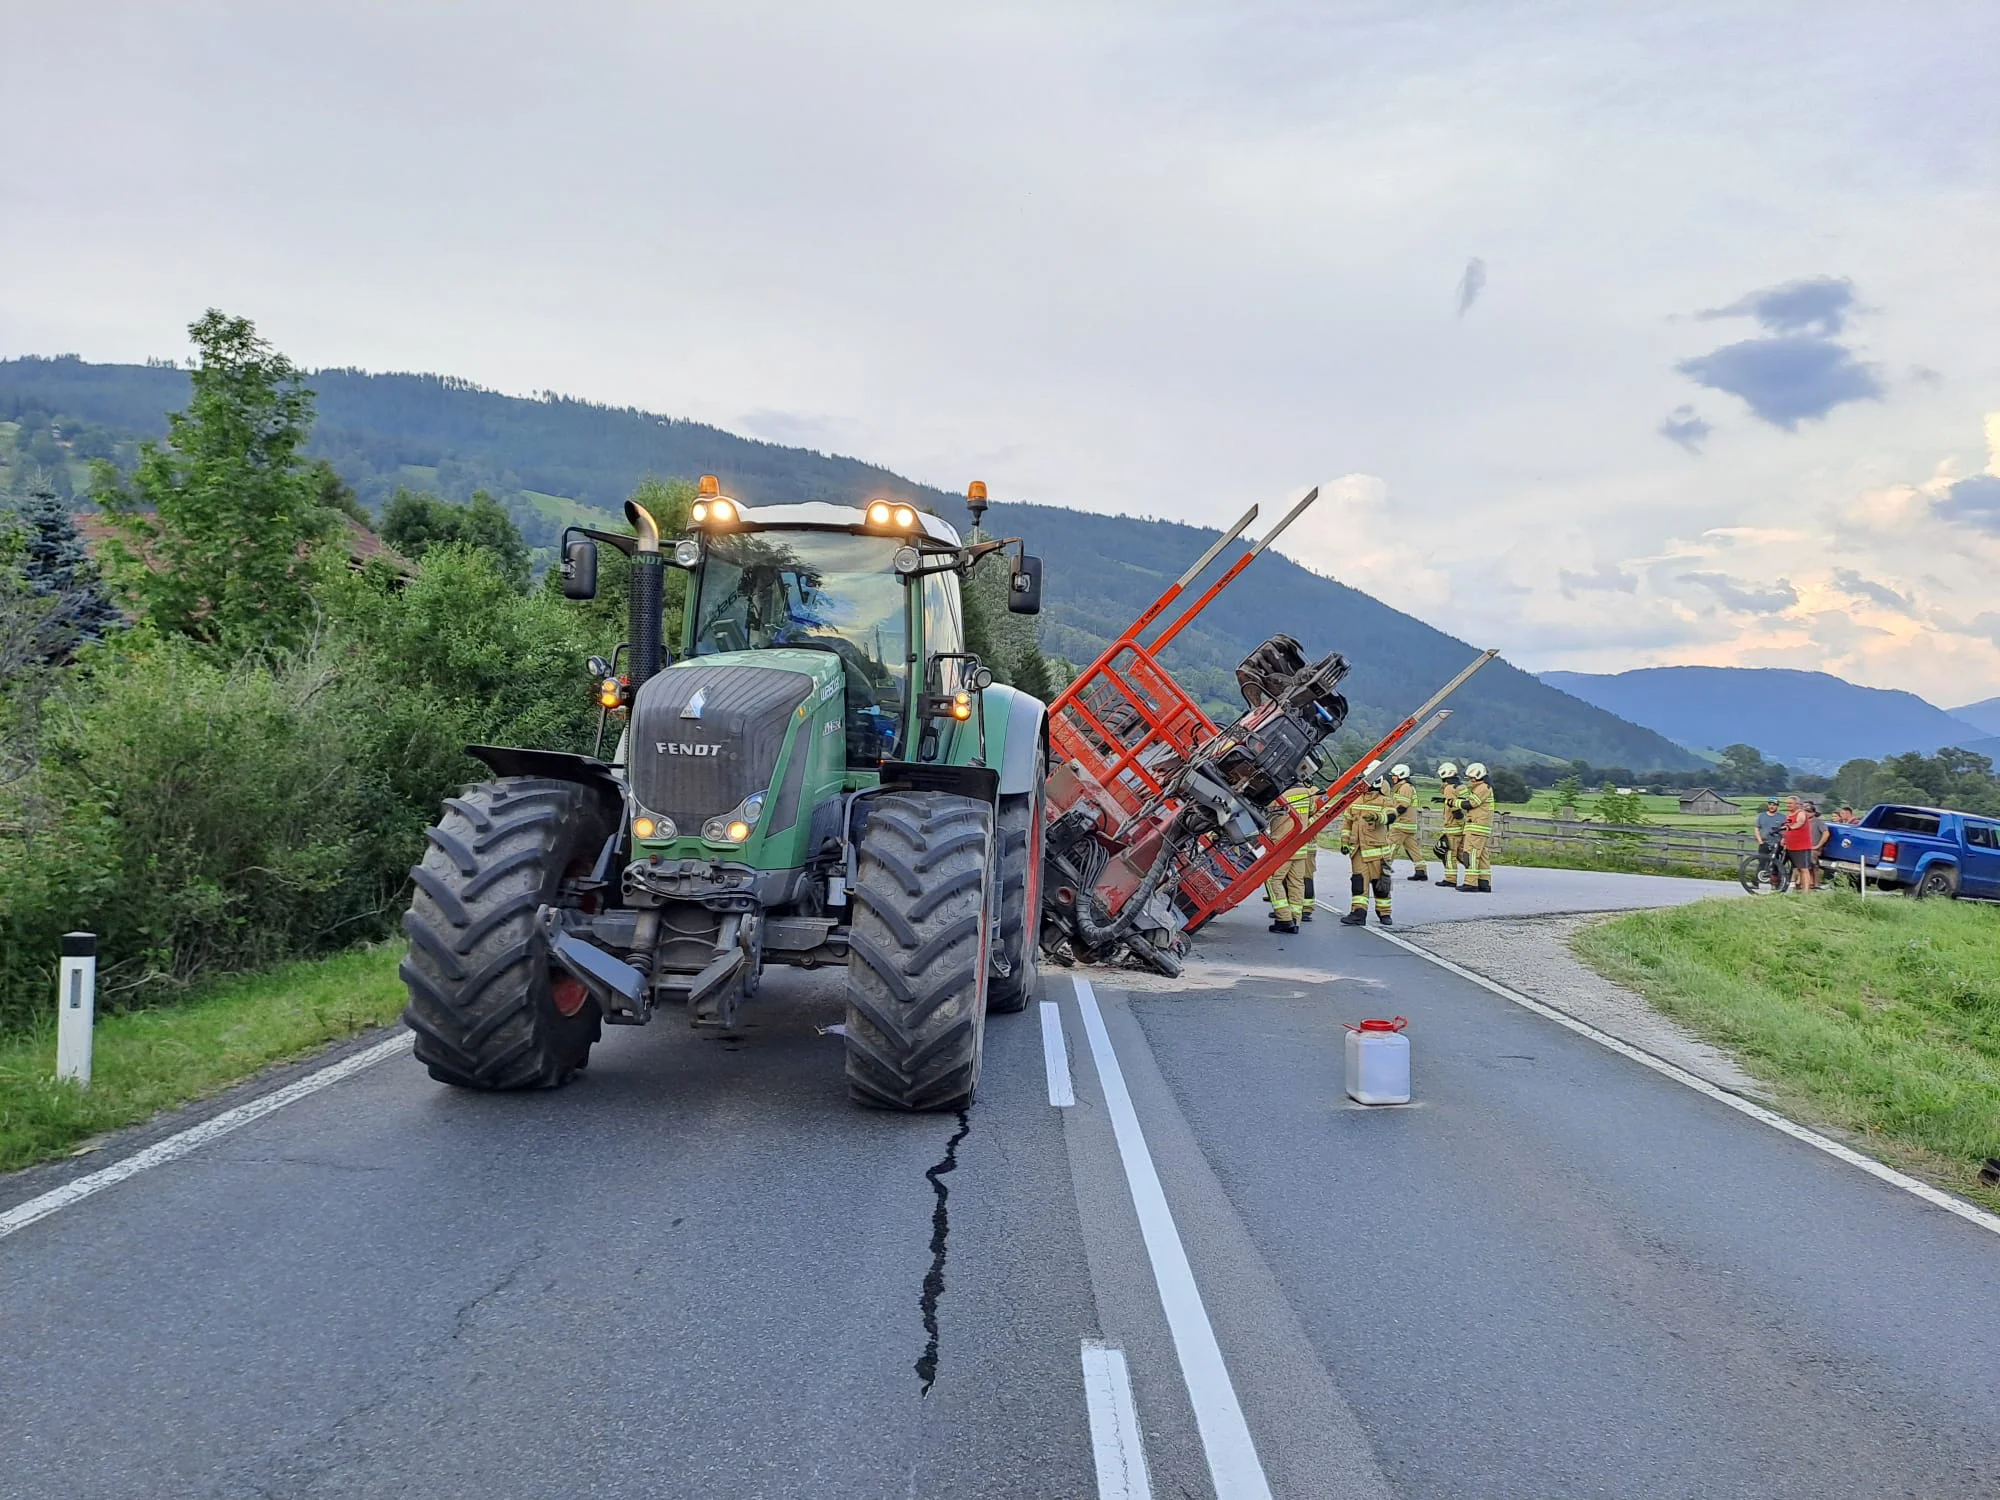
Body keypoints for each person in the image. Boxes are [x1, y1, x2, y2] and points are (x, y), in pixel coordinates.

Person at [1339, 769, 1397, 926]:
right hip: (1358, 851)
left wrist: (1378, 817)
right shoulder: (1355, 800)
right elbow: (1347, 823)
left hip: (1378, 851)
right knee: (1358, 883)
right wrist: (1345, 841)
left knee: (1381, 885)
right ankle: (1358, 914)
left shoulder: (1385, 801)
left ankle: (1384, 913)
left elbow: (1391, 816)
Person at [1264, 774, 1315, 934]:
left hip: (1282, 847)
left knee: (1272, 881)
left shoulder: (1278, 795)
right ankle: (1295, 920)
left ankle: (1284, 919)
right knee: (1296, 883)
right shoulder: (1307, 792)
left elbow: (1264, 813)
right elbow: (1313, 810)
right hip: (1299, 847)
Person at [1457, 762, 1496, 893]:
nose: (1470, 780)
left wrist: (1454, 802)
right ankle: (1484, 883)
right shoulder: (1483, 787)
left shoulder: (1482, 788)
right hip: (1481, 827)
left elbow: (1471, 804)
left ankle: (1471, 883)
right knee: (1482, 856)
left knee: (1471, 855)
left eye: (1471, 777)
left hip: (1476, 827)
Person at [1387, 762, 1427, 880]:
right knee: (1413, 849)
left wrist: (1391, 817)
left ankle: (1382, 870)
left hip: (1401, 824)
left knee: (1391, 846)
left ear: (1401, 775)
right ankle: (1421, 871)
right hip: (1409, 824)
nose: (1392, 777)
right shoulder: (1407, 787)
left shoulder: (1404, 788)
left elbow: (1402, 806)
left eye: (1394, 775)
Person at [1437, 762, 1466, 888]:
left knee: (1449, 853)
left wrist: (1459, 822)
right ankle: (1476, 875)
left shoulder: (1449, 788)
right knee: (1461, 853)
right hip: (1463, 826)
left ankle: (1450, 879)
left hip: (1453, 826)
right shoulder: (1462, 786)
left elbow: (1454, 806)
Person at [1781, 794, 1815, 892]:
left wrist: (1791, 827)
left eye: (1791, 803)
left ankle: (1806, 891)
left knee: (1804, 868)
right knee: (1797, 868)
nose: (1788, 805)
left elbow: (1799, 823)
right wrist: (1784, 838)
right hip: (1791, 845)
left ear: (1797, 804)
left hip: (1801, 846)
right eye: (1787, 803)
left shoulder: (1801, 813)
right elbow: (1787, 826)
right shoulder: (1789, 814)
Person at [1754, 798, 1787, 889]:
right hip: (1764, 842)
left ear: (1777, 806)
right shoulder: (1761, 816)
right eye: (1770, 804)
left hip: (1777, 843)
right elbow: (1757, 828)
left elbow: (1786, 830)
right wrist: (1760, 840)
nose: (1772, 806)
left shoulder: (1782, 817)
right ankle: (1755, 882)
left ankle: (1775, 883)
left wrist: (1783, 839)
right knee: (1762, 862)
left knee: (1776, 863)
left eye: (1774, 805)